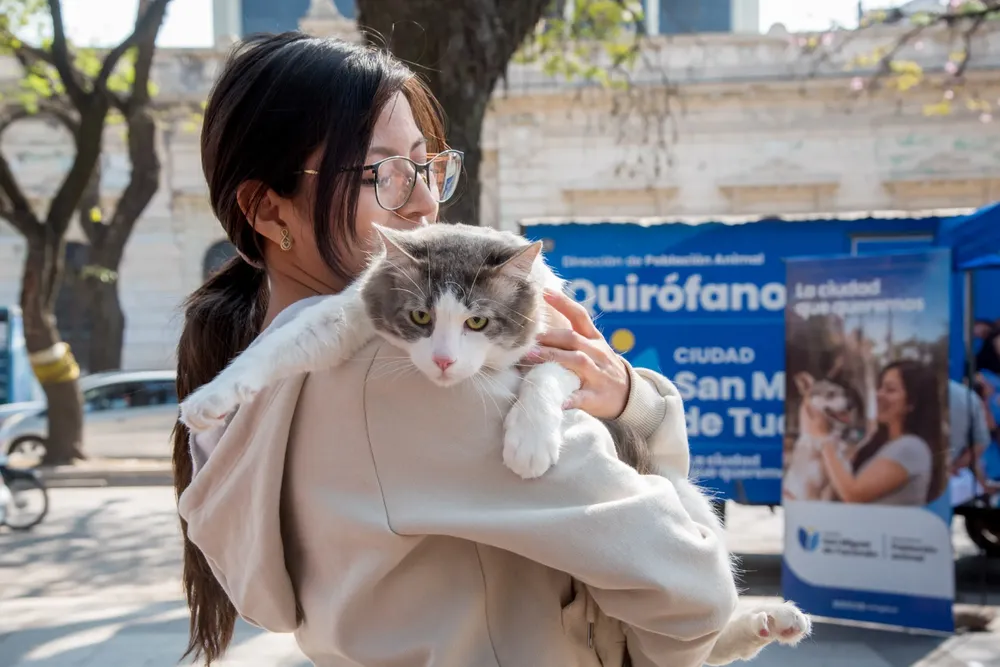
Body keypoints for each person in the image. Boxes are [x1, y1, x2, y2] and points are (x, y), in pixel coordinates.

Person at [172, 33, 737, 667]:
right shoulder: (410, 374)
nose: (423, 201)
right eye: (381, 173)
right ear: (267, 208)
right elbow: (694, 592)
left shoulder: (253, 389)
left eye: (425, 164)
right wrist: (642, 408)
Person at [818, 360, 945, 505]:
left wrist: (822, 438)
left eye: (890, 390)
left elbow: (852, 494)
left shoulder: (911, 447)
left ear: (912, 403)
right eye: (880, 388)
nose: (879, 395)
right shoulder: (881, 444)